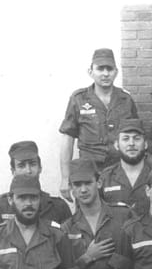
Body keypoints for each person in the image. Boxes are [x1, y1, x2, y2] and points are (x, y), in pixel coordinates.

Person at [59, 48, 139, 200]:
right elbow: (68, 139)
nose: (105, 73)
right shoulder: (78, 99)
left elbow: (135, 136)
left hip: (118, 170)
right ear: (91, 72)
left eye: (109, 69)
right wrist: (65, 177)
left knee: (119, 210)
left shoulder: (126, 100)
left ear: (116, 72)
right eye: (100, 69)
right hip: (88, 172)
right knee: (88, 210)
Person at [0, 140, 72, 234]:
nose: (28, 171)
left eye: (32, 164)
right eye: (21, 166)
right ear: (13, 171)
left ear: (40, 168)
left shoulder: (58, 207)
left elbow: (68, 241)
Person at [98, 119, 152, 217]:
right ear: (116, 145)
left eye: (136, 138)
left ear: (145, 144)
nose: (131, 143)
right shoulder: (105, 177)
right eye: (125, 139)